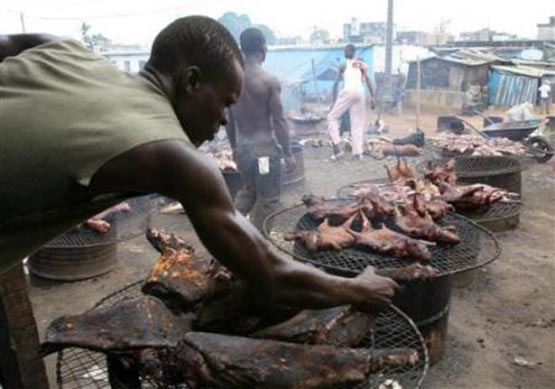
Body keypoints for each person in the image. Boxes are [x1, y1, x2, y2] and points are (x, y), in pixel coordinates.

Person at [0, 16, 398, 311]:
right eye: (225, 101)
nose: (226, 118)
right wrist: (356, 290)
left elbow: (10, 42)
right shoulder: (170, 154)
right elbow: (269, 276)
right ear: (191, 81)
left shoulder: (67, 51)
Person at [226, 28, 295, 230]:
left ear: (242, 49)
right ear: (263, 48)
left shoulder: (232, 80)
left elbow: (229, 120)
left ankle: (230, 235)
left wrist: (235, 148)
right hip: (264, 153)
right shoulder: (268, 81)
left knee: (248, 192)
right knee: (268, 200)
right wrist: (288, 153)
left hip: (244, 150)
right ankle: (258, 246)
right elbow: (279, 121)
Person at [327, 43, 375, 160]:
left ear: (346, 52)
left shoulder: (343, 65)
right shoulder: (360, 65)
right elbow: (368, 79)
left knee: (331, 117)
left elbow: (335, 84)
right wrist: (373, 96)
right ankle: (358, 153)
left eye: (345, 50)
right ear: (354, 53)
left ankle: (337, 146)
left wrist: (334, 101)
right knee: (357, 123)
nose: (344, 52)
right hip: (360, 93)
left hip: (348, 91)